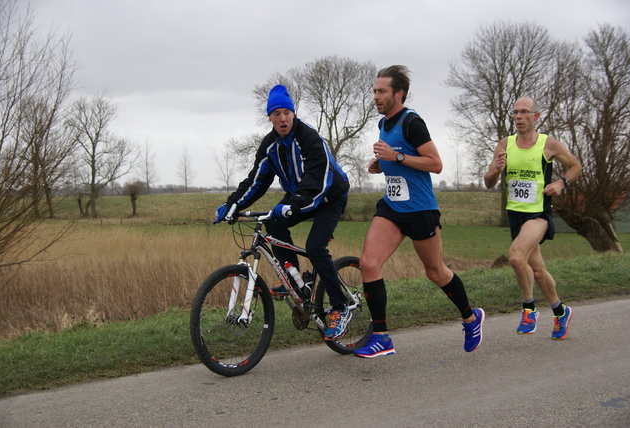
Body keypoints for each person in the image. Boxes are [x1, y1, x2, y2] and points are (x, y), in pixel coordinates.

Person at [354, 65, 485, 358]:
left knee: (436, 272)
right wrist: (381, 165)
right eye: (374, 91)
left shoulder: (412, 122)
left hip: (420, 210)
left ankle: (470, 317)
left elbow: (435, 164)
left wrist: (396, 156)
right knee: (369, 263)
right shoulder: (383, 124)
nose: (375, 96)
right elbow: (397, 162)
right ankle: (382, 337)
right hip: (392, 206)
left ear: (398, 94)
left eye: (381, 91)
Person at [214, 84, 353, 340]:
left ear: (293, 113)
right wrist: (232, 204)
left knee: (315, 247)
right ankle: (294, 278)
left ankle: (341, 306)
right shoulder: (270, 146)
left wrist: (293, 204)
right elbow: (256, 181)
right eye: (276, 114)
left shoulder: (310, 139)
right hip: (300, 195)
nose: (282, 118)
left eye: (286, 112)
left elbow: (316, 181)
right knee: (274, 223)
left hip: (330, 194)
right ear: (269, 118)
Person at [484, 97, 582, 340]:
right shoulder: (505, 144)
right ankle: (561, 311)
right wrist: (495, 169)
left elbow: (575, 166)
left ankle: (529, 308)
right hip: (515, 216)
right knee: (537, 271)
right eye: (515, 112)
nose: (518, 117)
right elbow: (488, 182)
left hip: (538, 215)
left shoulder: (547, 144)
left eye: (524, 112)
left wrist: (560, 182)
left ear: (535, 117)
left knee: (516, 257)